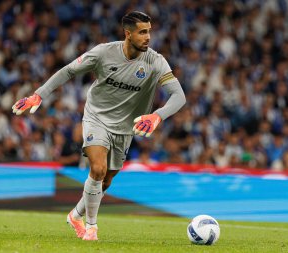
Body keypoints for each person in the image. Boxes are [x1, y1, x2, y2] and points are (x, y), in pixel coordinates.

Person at [12, 11, 186, 241]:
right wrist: (39, 94)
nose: (148, 37)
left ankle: (75, 215)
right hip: (97, 117)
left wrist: (157, 116)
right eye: (142, 32)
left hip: (125, 127)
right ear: (128, 34)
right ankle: (91, 227)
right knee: (98, 168)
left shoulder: (155, 61)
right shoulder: (104, 53)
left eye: (149, 32)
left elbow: (179, 96)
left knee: (106, 180)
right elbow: (69, 70)